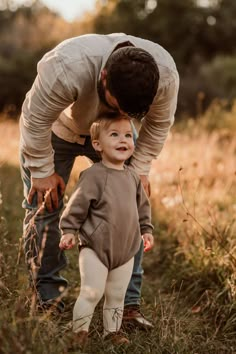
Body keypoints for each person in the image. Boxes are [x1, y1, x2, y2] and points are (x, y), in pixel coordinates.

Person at [19, 33, 179, 328]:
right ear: (103, 78)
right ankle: (47, 298)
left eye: (128, 114)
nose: (118, 115)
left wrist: (140, 168)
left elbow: (158, 126)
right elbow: (35, 118)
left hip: (115, 139)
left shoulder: (165, 77)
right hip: (59, 130)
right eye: (115, 106)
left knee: (127, 209)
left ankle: (126, 306)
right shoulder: (68, 66)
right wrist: (41, 170)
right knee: (45, 207)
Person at [59, 116, 154, 347]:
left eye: (128, 135)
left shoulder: (132, 176)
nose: (123, 140)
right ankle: (78, 332)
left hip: (126, 249)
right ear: (97, 144)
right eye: (114, 135)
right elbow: (77, 204)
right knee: (92, 292)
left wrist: (146, 230)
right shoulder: (93, 175)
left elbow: (143, 207)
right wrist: (69, 229)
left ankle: (111, 332)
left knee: (117, 295)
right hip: (95, 247)